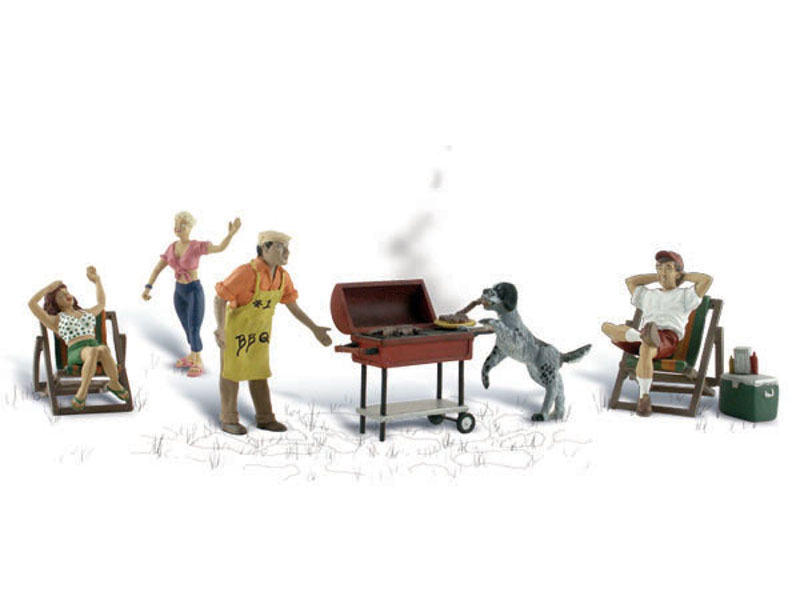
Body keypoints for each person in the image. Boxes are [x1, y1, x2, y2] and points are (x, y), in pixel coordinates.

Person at [213, 230, 332, 435]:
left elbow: (292, 306)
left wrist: (314, 328)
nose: (286, 252)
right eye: (280, 247)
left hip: (260, 334)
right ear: (264, 249)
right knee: (231, 374)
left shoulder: (283, 277)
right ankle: (228, 418)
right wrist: (220, 328)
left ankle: (265, 418)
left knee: (259, 373)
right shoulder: (246, 273)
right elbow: (220, 298)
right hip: (235, 333)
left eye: (287, 248)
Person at [601, 250, 713, 417]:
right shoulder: (648, 295)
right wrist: (659, 276)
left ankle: (644, 398)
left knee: (646, 347)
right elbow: (630, 281)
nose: (662, 272)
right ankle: (643, 336)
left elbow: (706, 280)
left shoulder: (685, 296)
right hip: (645, 334)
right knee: (606, 327)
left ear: (678, 273)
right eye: (659, 268)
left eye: (668, 268)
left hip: (667, 337)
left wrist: (682, 277)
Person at [142, 211, 241, 377]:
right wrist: (148, 287)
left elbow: (219, 248)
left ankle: (198, 359)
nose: (178, 228)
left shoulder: (196, 246)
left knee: (194, 327)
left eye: (183, 225)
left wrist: (230, 235)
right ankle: (192, 355)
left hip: (194, 291)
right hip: (179, 292)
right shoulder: (172, 248)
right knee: (187, 326)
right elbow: (158, 267)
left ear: (190, 227)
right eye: (176, 224)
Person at [29, 267, 130, 411]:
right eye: (61, 295)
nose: (66, 295)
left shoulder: (85, 312)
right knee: (94, 351)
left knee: (102, 349)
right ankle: (83, 391)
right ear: (55, 303)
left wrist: (97, 280)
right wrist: (48, 289)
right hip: (76, 351)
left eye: (67, 292)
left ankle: (113, 383)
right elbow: (31, 304)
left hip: (94, 346)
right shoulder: (56, 320)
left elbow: (101, 304)